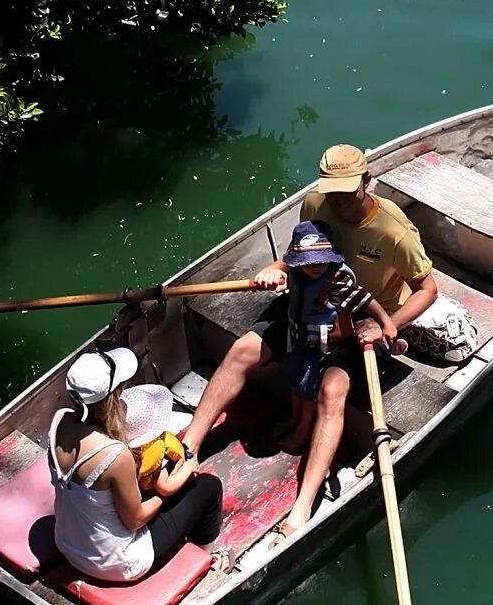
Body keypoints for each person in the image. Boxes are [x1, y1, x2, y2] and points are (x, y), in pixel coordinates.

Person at [181, 144, 441, 527]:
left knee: (333, 392)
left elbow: (427, 289)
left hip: (356, 322)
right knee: (241, 351)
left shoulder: (394, 231)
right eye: (332, 190)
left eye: (347, 191)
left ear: (367, 182)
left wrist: (387, 324)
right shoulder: (317, 203)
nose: (337, 201)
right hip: (305, 305)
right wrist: (276, 267)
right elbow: (296, 253)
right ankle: (189, 448)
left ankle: (302, 507)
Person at [48, 346, 221, 582]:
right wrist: (166, 493)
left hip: (67, 543)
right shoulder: (115, 454)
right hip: (117, 563)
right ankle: (206, 558)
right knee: (209, 488)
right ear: (113, 396)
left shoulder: (59, 421)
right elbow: (135, 520)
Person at [273, 220, 402, 532]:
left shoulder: (338, 281)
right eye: (308, 264)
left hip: (334, 347)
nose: (314, 269)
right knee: (296, 381)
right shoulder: (296, 275)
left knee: (317, 389)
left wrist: (386, 323)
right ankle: (299, 425)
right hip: (303, 342)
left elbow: (365, 300)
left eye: (320, 263)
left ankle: (304, 492)